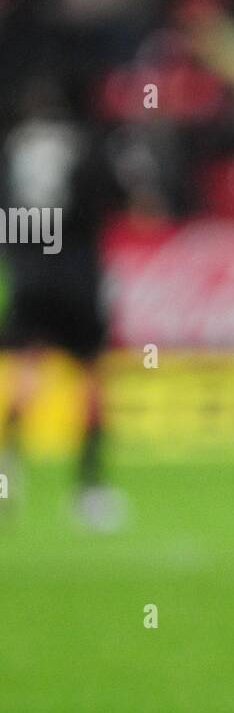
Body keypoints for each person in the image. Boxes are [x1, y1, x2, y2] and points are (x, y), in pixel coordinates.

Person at [0, 75, 126, 529]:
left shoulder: (14, 145)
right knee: (91, 377)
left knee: (25, 371)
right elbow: (115, 198)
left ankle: (6, 474)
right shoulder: (86, 143)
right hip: (76, 272)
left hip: (30, 272)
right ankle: (90, 490)